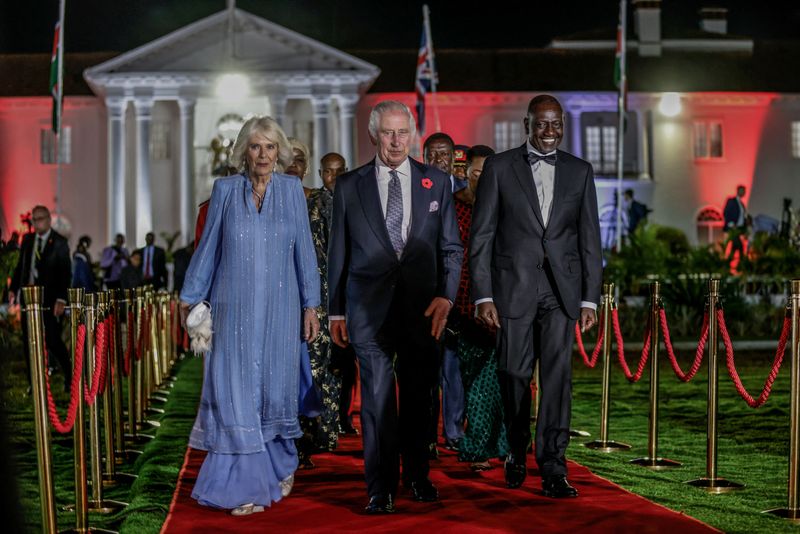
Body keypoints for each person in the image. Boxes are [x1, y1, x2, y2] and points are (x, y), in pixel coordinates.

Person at [179, 115, 320, 515]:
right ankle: (243, 485)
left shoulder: (293, 191)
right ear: (244, 151)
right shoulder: (224, 190)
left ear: (280, 152)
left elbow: (304, 254)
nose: (263, 154)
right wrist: (191, 300)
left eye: (270, 147)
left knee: (275, 391)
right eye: (256, 146)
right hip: (232, 312)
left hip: (281, 311)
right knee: (236, 393)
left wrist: (311, 306)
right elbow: (209, 250)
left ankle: (279, 463)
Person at [328, 101, 463, 513]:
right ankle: (379, 488)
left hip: (422, 312)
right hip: (367, 312)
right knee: (378, 401)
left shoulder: (437, 182)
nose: (395, 141)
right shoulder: (350, 186)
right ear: (374, 135)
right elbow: (338, 253)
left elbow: (452, 248)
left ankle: (418, 476)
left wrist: (447, 295)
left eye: (402, 132)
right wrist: (335, 310)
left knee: (421, 399)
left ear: (413, 134)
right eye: (387, 133)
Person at [470, 94, 602, 498]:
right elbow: (482, 235)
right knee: (513, 374)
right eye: (542, 124)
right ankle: (515, 447)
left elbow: (589, 238)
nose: (550, 132)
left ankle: (553, 467)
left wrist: (589, 299)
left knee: (558, 380)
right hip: (513, 289)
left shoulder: (580, 171)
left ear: (563, 125)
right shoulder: (499, 167)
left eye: (556, 124)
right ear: (527, 124)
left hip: (563, 291)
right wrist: (483, 295)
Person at [451, 145, 509, 471]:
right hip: (464, 304)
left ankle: (497, 444)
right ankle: (477, 448)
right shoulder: (453, 206)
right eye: (476, 172)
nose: (483, 178)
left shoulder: (506, 206)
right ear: (465, 172)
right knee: (475, 380)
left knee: (501, 379)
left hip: (503, 302)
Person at [296, 152, 349, 468]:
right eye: (327, 172)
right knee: (310, 368)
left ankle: (326, 433)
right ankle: (307, 435)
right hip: (309, 298)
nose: (332, 177)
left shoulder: (338, 201)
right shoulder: (309, 203)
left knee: (332, 369)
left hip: (336, 299)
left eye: (337, 171)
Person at [423, 131, 467, 456]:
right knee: (428, 371)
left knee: (454, 369)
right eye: (433, 155)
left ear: (454, 159)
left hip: (460, 294)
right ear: (424, 158)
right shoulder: (416, 192)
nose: (439, 160)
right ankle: (426, 436)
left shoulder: (468, 196)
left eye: (445, 155)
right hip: (425, 294)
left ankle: (454, 432)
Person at [9, 205, 72, 391]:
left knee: (53, 340)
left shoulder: (60, 242)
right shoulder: (28, 240)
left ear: (48, 219)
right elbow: (21, 266)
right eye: (34, 220)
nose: (37, 223)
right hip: (28, 300)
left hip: (49, 301)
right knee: (29, 341)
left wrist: (62, 299)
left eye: (40, 219)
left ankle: (69, 374)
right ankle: (34, 383)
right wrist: (13, 288)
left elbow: (65, 273)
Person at [723, 185, 748, 262]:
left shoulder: (742, 204)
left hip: (739, 228)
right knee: (739, 246)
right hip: (733, 228)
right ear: (738, 191)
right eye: (742, 191)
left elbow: (742, 217)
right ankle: (742, 263)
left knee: (735, 247)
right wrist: (731, 224)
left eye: (744, 191)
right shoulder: (732, 201)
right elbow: (726, 212)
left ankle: (727, 264)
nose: (743, 193)